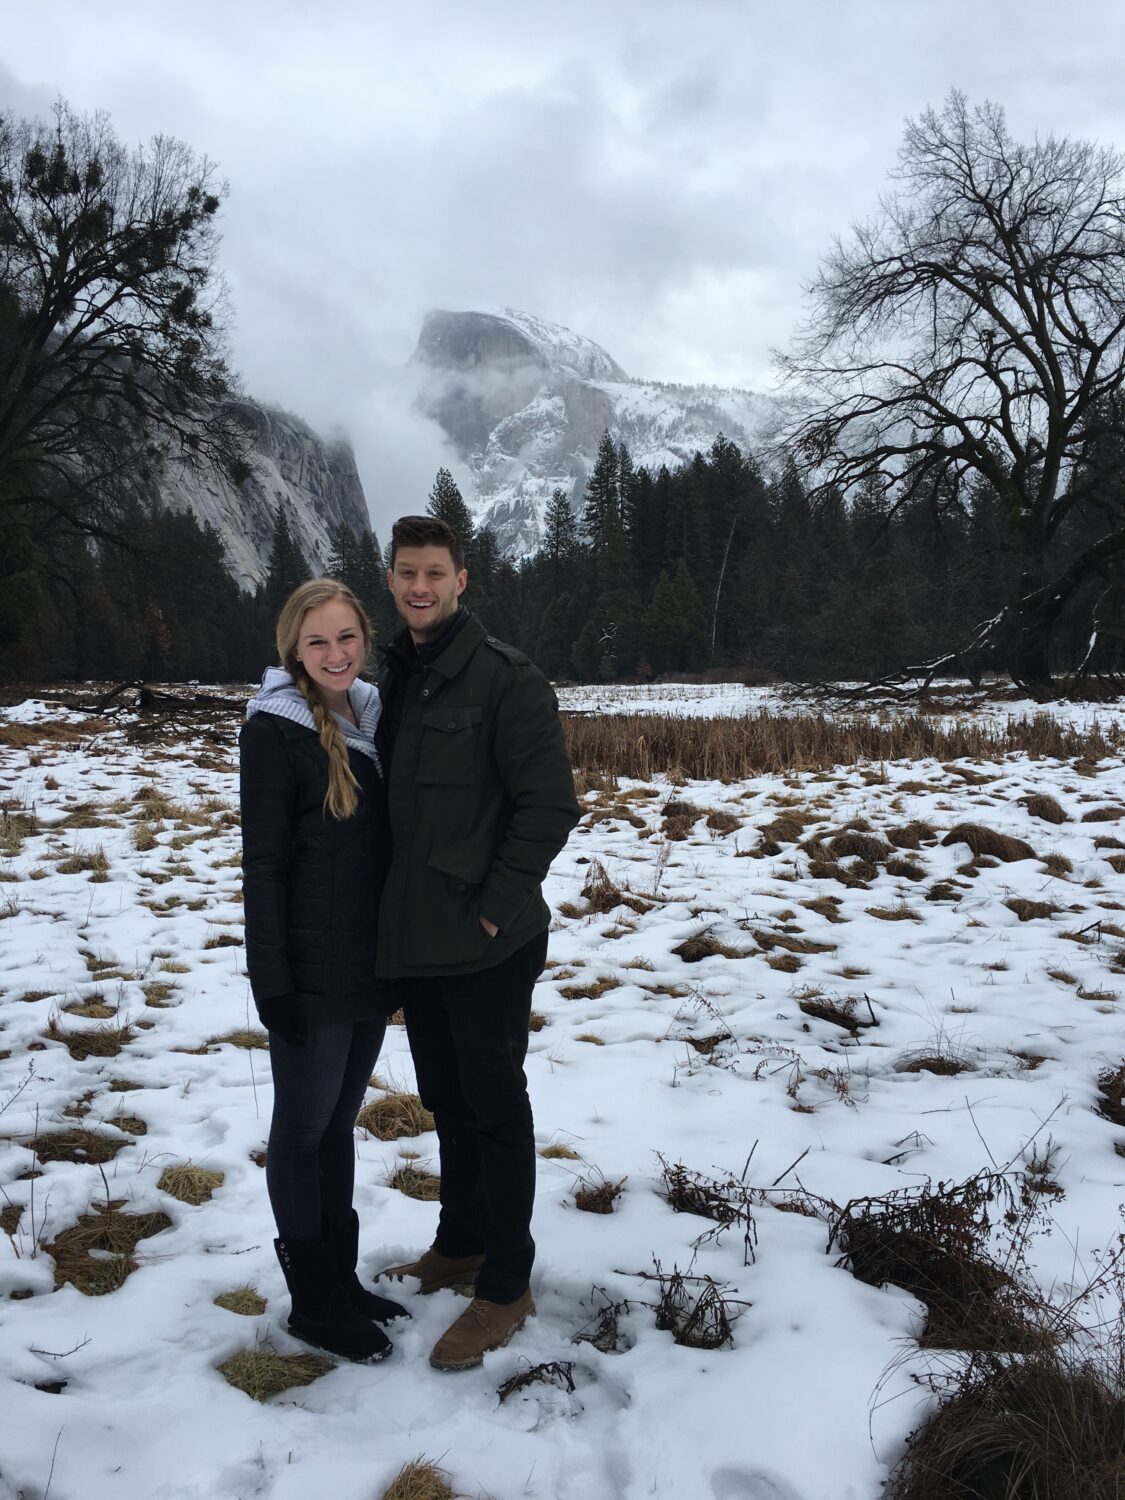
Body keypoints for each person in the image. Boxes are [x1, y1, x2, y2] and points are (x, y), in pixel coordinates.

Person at [375, 514, 580, 1371]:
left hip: (488, 944)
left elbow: (548, 808)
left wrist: (494, 911)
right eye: (405, 573)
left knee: (495, 1109)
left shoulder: (505, 682)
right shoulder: (391, 676)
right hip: (418, 944)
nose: (419, 587)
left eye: (435, 573)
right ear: (390, 581)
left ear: (464, 581)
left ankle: (506, 1282)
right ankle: (457, 1242)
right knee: (445, 1101)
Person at [240, 578, 407, 1364]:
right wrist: (271, 982)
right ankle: (312, 1303)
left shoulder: (370, 713)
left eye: (345, 638)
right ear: (292, 651)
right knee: (300, 1133)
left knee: (337, 1127)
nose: (334, 654)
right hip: (308, 971)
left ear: (362, 640)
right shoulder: (272, 732)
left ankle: (339, 1281)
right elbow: (265, 865)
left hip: (366, 967)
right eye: (317, 642)